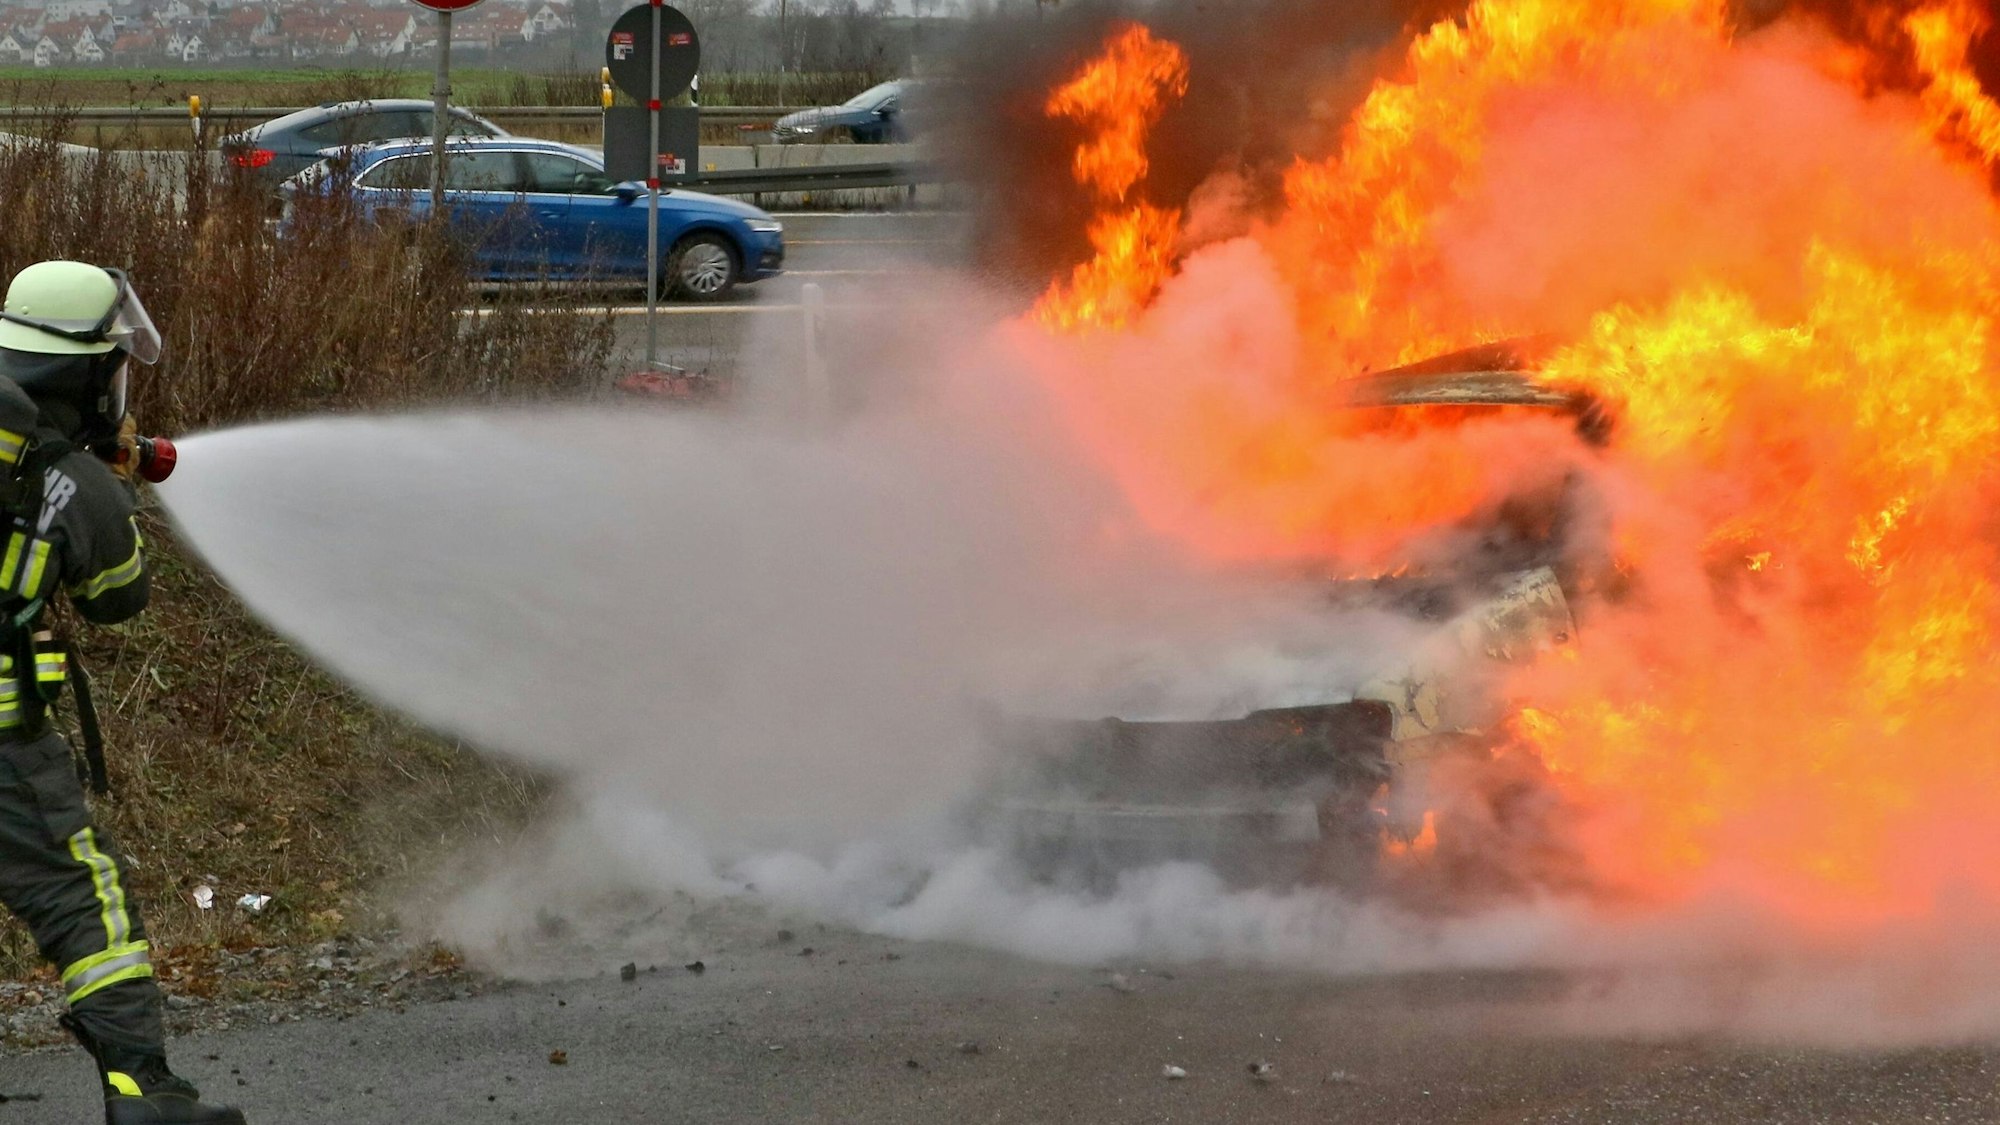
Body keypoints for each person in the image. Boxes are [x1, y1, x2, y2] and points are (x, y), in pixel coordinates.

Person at [0, 261, 244, 1124]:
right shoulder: (76, 482)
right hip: (6, 757)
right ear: (84, 373)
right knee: (84, 900)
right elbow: (117, 601)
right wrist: (112, 483)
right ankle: (144, 1092)